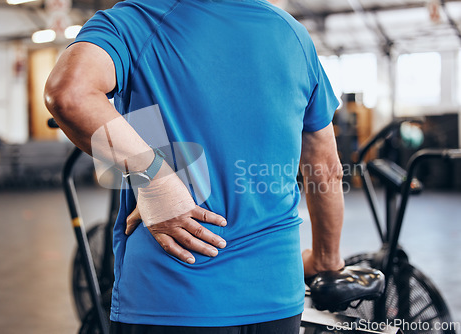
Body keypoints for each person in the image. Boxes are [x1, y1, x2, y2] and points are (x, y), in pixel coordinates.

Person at [44, 0, 345, 333]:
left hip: (171, 297)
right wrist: (325, 260)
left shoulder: (137, 20)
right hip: (277, 296)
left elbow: (69, 93)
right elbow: (326, 170)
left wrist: (157, 182)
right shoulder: (294, 35)